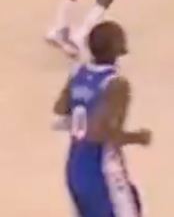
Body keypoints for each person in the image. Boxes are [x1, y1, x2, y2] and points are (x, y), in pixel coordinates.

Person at [55, 21, 152, 217]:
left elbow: (60, 108)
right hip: (102, 170)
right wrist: (138, 137)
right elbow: (101, 134)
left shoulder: (77, 74)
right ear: (117, 46)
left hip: (75, 166)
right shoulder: (116, 84)